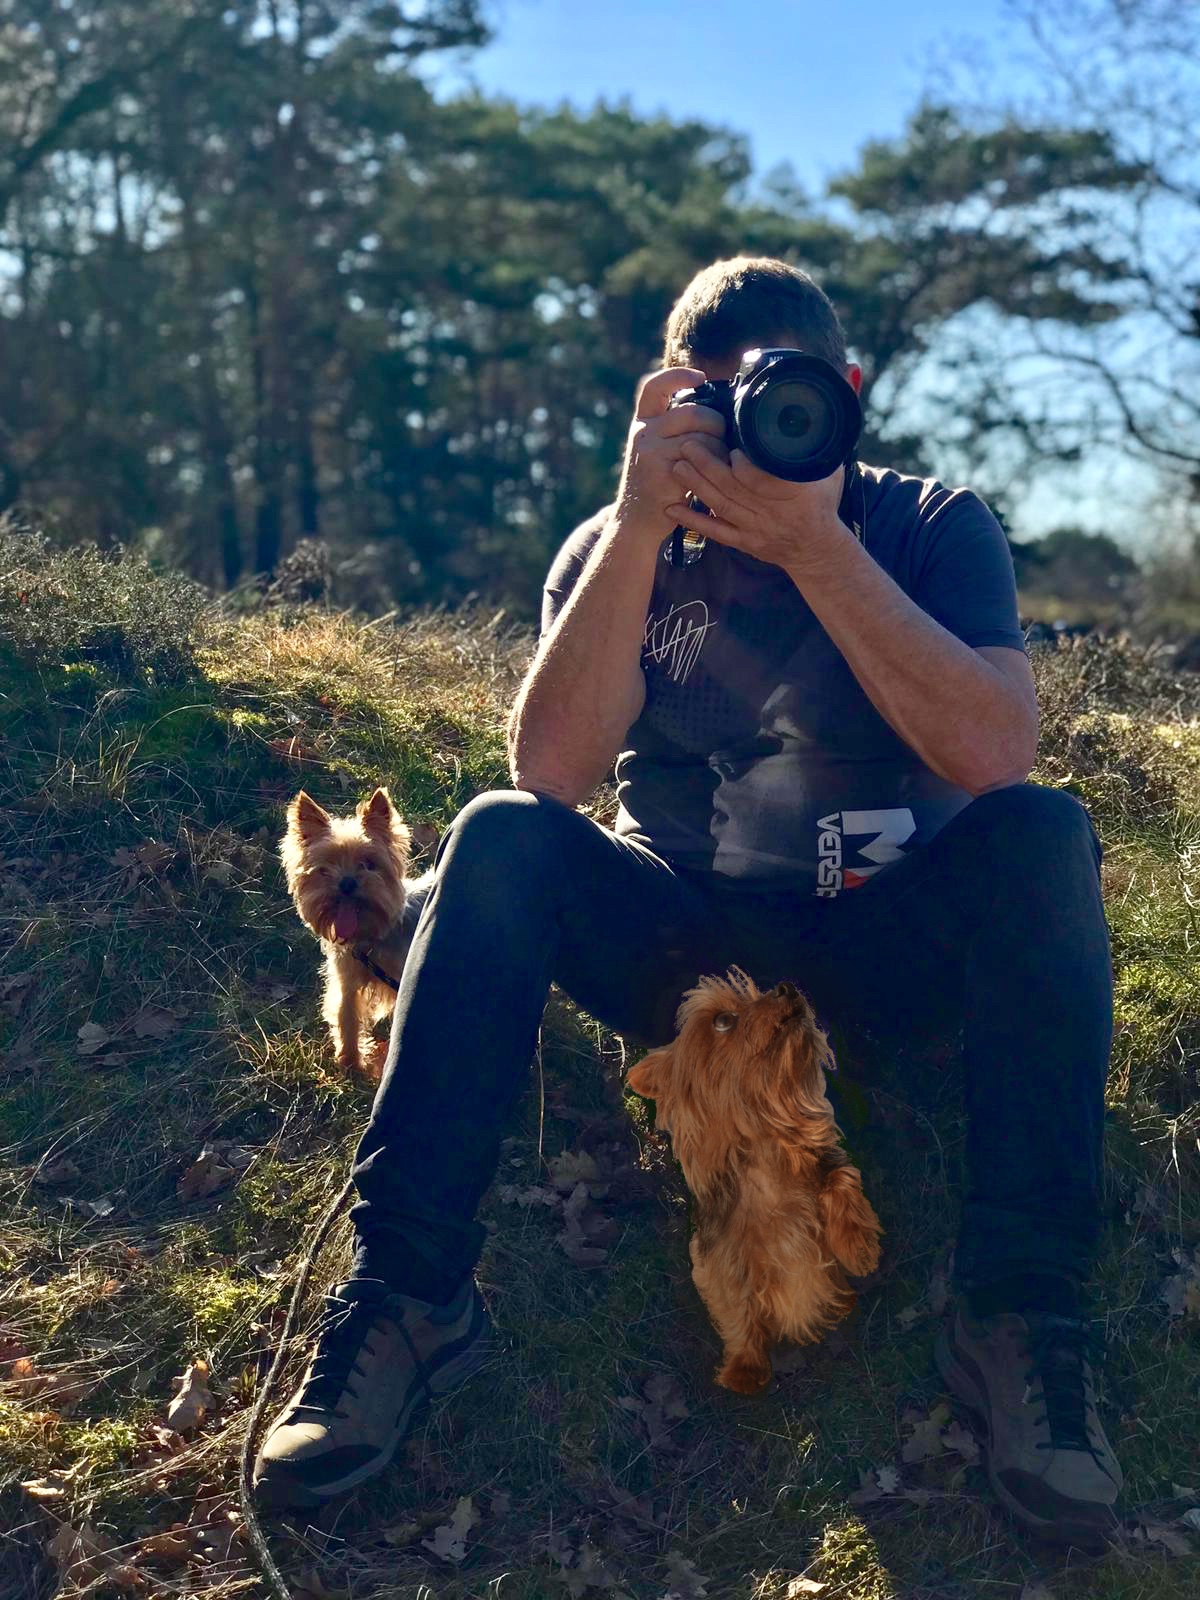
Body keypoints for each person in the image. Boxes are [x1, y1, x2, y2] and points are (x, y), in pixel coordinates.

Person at [254, 256, 1122, 1546]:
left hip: (886, 941)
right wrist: (640, 524)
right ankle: (405, 1292)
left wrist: (818, 550)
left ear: (850, 392)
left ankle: (1021, 1308)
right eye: (720, 406)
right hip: (679, 943)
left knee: (1045, 834)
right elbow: (548, 773)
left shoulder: (930, 523)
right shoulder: (622, 541)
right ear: (670, 406)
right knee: (499, 835)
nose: (759, 431)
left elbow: (998, 754)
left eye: (792, 399)